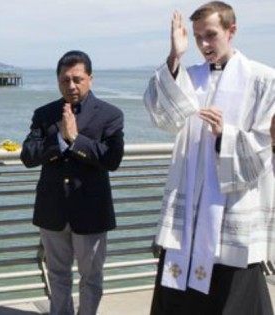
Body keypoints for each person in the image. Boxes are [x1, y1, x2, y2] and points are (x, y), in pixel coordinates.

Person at [143, 2, 274, 314]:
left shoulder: (263, 80)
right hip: (189, 212)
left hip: (232, 207)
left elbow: (265, 144)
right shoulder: (190, 77)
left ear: (232, 31)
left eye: (211, 35)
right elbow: (164, 118)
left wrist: (224, 136)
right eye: (198, 37)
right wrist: (175, 56)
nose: (203, 45)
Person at [20, 50, 124, 315]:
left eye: (77, 79)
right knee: (57, 274)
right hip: (52, 208)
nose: (71, 85)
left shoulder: (110, 115)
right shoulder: (44, 114)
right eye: (65, 80)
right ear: (58, 81)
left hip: (91, 210)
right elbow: (28, 156)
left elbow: (112, 159)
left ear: (90, 78)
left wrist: (76, 140)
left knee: (91, 278)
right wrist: (60, 141)